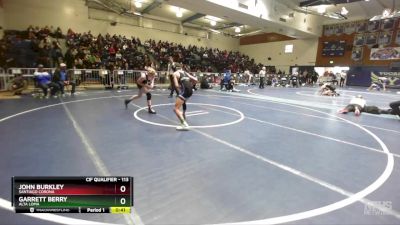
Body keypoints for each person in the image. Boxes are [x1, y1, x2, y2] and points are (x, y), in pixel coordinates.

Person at [171, 63, 198, 131]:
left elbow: (176, 85)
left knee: (176, 109)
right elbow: (196, 80)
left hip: (185, 91)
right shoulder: (185, 72)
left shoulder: (175, 73)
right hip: (190, 91)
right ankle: (183, 114)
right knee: (183, 102)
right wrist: (191, 85)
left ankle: (184, 124)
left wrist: (182, 88)